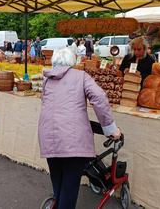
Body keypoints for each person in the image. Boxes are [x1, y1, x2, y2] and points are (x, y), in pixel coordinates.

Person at [38, 48, 121, 209]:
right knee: (70, 185)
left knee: (58, 181)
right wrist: (111, 129)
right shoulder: (81, 76)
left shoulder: (47, 80)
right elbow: (99, 98)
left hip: (48, 136)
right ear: (72, 62)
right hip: (72, 138)